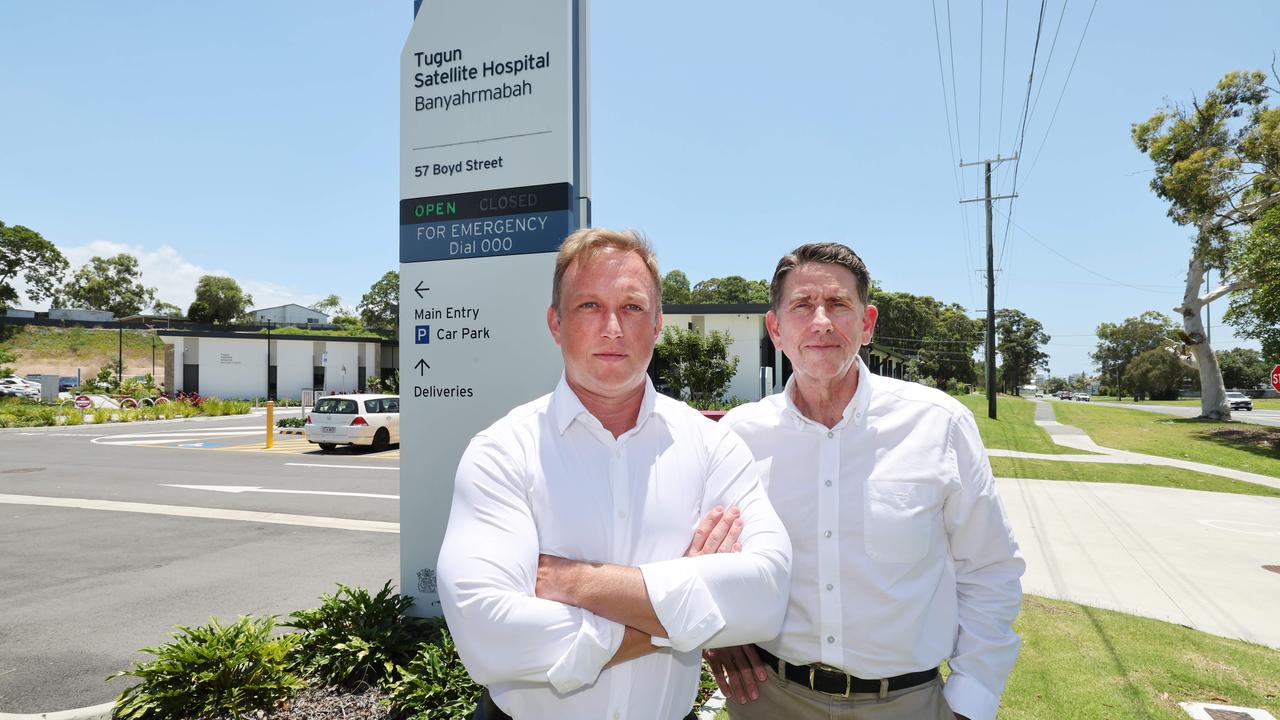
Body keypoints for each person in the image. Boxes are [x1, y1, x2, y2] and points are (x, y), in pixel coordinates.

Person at [437, 228, 792, 720]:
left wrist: (579, 584)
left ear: (658, 323)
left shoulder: (713, 446)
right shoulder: (502, 452)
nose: (612, 327)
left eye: (631, 307)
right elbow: (488, 635)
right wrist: (688, 610)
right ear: (555, 323)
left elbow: (765, 597)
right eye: (588, 306)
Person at [708, 242, 1024, 720]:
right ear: (775, 328)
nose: (821, 321)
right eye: (801, 306)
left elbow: (989, 569)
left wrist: (973, 698)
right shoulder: (739, 435)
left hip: (906, 703)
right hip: (771, 699)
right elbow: (708, 557)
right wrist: (720, 636)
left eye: (838, 304)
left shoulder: (939, 424)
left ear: (867, 322)